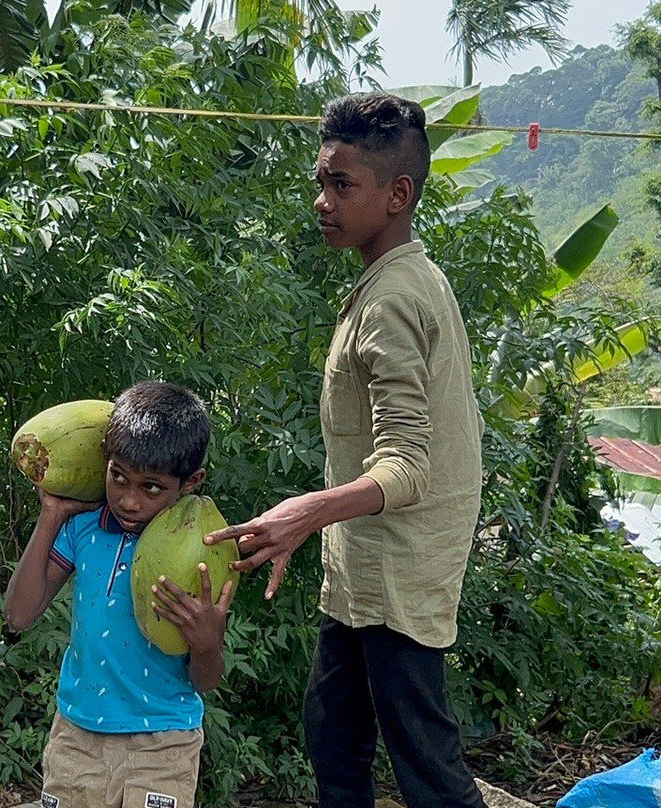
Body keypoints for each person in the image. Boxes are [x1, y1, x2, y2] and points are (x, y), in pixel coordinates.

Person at [205, 92, 488, 808]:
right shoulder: (396, 280)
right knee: (333, 739)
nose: (322, 201)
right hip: (365, 568)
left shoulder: (394, 298)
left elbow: (408, 465)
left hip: (398, 573)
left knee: (427, 769)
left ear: (397, 194)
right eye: (320, 182)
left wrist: (303, 514)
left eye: (341, 185)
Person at [4, 380, 235, 808]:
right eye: (118, 478)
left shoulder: (202, 549)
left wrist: (208, 643)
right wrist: (52, 514)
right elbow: (17, 615)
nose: (129, 502)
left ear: (190, 482)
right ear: (103, 463)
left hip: (162, 743)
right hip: (77, 737)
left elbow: (205, 680)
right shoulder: (84, 528)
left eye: (151, 488)